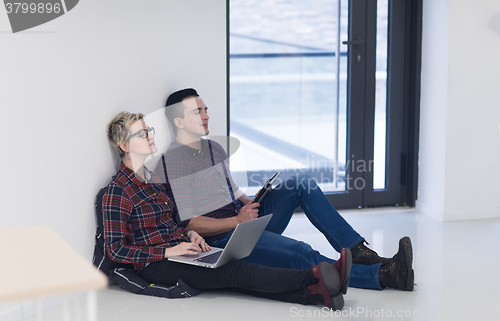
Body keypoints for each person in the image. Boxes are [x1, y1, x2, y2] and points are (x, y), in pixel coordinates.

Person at [157, 88, 415, 291]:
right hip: (223, 239)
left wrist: (252, 200)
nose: (206, 115)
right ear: (178, 121)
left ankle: (357, 251)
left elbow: (230, 188)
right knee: (300, 252)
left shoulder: (214, 148)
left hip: (243, 221)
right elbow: (190, 222)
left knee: (301, 183)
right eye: (197, 112)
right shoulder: (175, 161)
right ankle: (383, 275)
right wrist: (237, 220)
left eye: (205, 109)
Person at [102, 111, 353, 310]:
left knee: (236, 280)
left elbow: (173, 222)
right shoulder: (118, 191)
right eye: (142, 133)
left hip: (183, 249)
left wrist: (190, 236)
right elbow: (115, 250)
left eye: (149, 130)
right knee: (236, 271)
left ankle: (314, 296)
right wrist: (169, 250)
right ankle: (316, 277)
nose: (149, 135)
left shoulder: (152, 179)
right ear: (125, 145)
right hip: (157, 264)